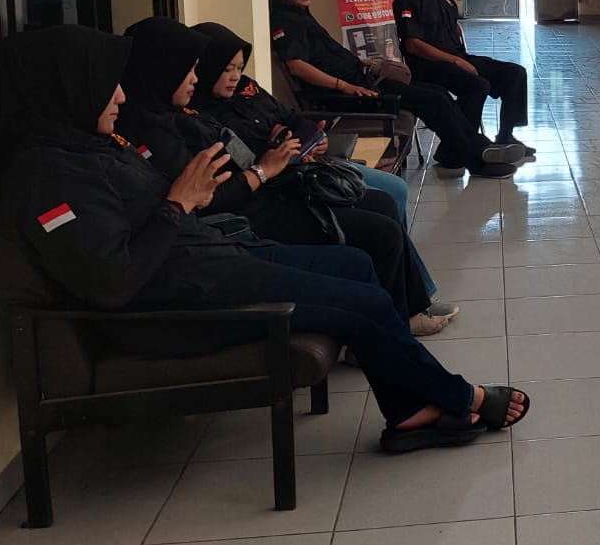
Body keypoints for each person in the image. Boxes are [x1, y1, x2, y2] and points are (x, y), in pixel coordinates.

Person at [0, 25, 529, 452]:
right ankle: (463, 395)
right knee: (362, 303)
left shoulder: (85, 148)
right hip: (180, 308)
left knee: (357, 266)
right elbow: (113, 281)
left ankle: (407, 412)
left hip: (213, 262)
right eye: (108, 86)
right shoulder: (45, 178)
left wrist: (192, 201)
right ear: (65, 90)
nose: (122, 95)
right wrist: (179, 202)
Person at [114, 17, 444, 335]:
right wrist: (265, 167)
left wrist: (297, 143)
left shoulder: (190, 112)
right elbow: (212, 194)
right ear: (162, 70)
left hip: (282, 184)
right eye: (190, 70)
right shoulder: (166, 128)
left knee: (383, 205)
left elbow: (282, 124)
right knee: (379, 231)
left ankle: (407, 310)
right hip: (253, 213)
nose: (195, 79)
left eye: (237, 68)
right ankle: (394, 322)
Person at [268, 0, 523, 177]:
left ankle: (474, 148)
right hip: (351, 94)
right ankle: (476, 160)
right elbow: (297, 66)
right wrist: (344, 85)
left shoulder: (301, 15)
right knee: (435, 101)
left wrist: (364, 65)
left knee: (438, 95)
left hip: (363, 80)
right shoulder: (286, 21)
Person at [395, 0, 534, 156]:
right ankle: (458, 147)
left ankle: (505, 137)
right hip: (429, 66)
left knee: (514, 74)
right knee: (477, 85)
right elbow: (413, 45)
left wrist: (459, 57)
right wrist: (455, 60)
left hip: (457, 58)